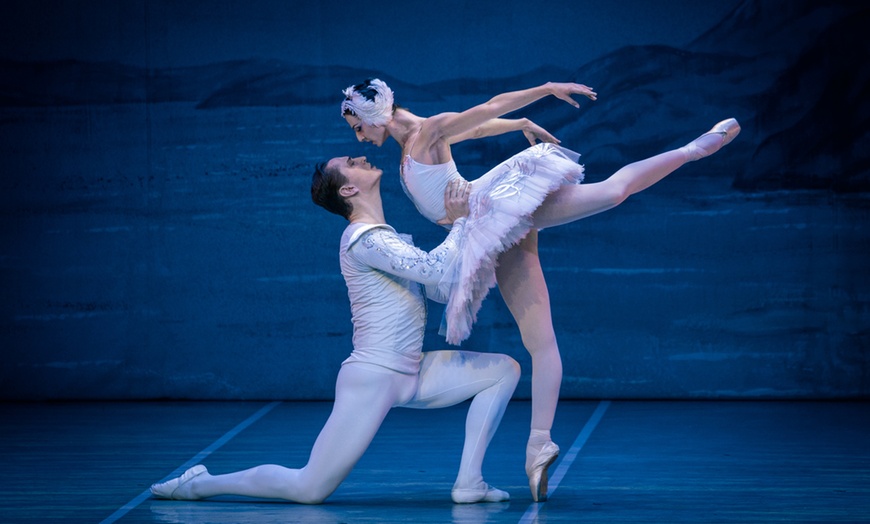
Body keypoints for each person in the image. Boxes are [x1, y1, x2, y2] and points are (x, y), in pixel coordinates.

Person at [340, 78, 740, 501]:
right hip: (488, 228)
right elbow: (476, 128)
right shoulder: (421, 138)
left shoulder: (429, 130)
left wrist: (546, 89)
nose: (360, 136)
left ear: (372, 115)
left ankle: (696, 148)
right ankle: (538, 445)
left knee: (611, 193)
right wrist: (521, 122)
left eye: (357, 127)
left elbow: (487, 106)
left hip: (494, 212)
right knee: (540, 341)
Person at [150, 157, 521, 505]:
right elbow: (433, 272)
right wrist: (459, 223)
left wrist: (478, 234)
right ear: (347, 190)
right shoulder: (364, 239)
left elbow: (438, 290)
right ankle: (200, 484)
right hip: (373, 376)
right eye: (351, 163)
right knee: (309, 487)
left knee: (504, 369)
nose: (361, 159)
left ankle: (469, 482)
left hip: (411, 371)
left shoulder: (389, 238)